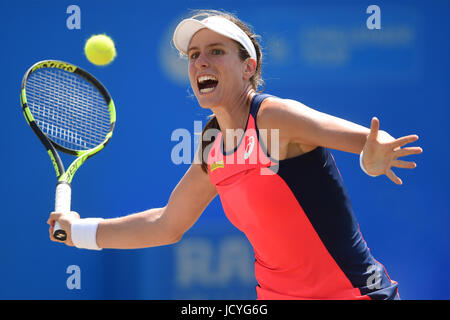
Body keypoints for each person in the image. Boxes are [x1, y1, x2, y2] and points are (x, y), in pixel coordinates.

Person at [48, 10, 422, 300]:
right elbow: (166, 224)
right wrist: (76, 231)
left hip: (351, 293)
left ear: (249, 67)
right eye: (194, 55)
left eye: (216, 51)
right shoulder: (213, 146)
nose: (201, 62)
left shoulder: (275, 118)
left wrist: (374, 155)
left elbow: (369, 140)